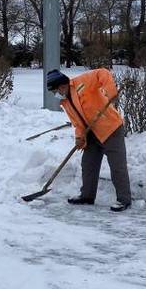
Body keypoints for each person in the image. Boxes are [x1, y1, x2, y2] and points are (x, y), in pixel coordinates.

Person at [46, 67, 132, 212]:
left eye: (55, 91)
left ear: (61, 86)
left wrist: (111, 92)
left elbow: (102, 73)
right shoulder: (66, 102)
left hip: (110, 128)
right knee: (88, 165)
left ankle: (124, 200)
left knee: (117, 166)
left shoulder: (82, 82)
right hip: (91, 134)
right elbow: (77, 123)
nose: (56, 94)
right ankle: (87, 196)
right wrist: (80, 137)